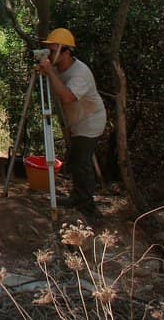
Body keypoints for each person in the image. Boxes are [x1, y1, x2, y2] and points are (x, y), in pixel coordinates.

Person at [37, 27, 106, 217]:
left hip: (90, 122)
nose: (49, 54)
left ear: (66, 51)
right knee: (76, 161)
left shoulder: (80, 73)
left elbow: (67, 97)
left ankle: (88, 207)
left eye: (52, 50)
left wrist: (49, 71)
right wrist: (48, 71)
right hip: (77, 121)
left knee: (81, 162)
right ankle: (77, 196)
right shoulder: (60, 68)